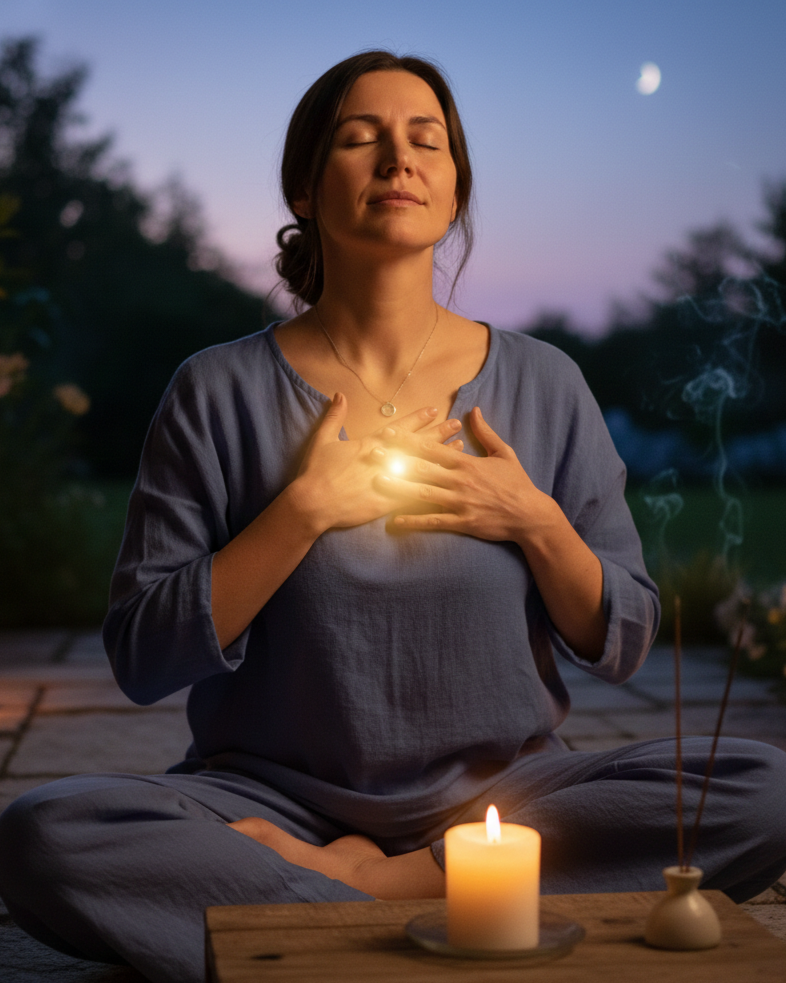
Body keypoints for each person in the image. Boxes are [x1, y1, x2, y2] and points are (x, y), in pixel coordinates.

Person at [1, 50, 785, 983]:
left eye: (427, 139)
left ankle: (351, 904)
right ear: (304, 185)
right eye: (359, 137)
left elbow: (620, 638)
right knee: (44, 834)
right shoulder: (216, 390)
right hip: (265, 805)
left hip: (505, 797)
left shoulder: (544, 383)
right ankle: (462, 916)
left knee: (766, 788)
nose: (397, 159)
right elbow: (142, 655)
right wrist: (302, 512)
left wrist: (535, 520)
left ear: (455, 185)